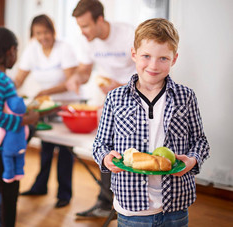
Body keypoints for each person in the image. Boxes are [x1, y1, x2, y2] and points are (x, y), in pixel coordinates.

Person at [94, 18, 210, 226]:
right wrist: (106, 158)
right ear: (134, 54)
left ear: (174, 59)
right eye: (146, 56)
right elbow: (100, 145)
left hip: (175, 205)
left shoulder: (186, 97)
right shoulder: (115, 98)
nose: (154, 66)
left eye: (163, 58)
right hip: (131, 207)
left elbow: (200, 142)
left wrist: (192, 160)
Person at [66, 0, 136, 217]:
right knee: (105, 149)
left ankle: (125, 205)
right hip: (111, 101)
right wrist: (76, 78)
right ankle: (106, 203)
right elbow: (85, 71)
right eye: (80, 27)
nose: (83, 32)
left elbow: (147, 71)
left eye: (86, 26)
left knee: (128, 154)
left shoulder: (128, 35)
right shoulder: (87, 41)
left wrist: (122, 86)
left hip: (136, 100)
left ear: (100, 20)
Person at [0, 27, 39, 227]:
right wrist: (25, 120)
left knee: (10, 196)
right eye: (16, 52)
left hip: (5, 149)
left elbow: (3, 109)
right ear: (10, 51)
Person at [14, 14, 78, 208]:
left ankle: (64, 194)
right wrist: (5, 90)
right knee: (46, 147)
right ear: (33, 35)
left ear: (53, 31)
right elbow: (19, 78)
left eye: (46, 32)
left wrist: (45, 92)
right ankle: (40, 186)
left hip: (66, 105)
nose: (42, 37)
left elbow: (70, 82)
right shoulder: (32, 50)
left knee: (65, 150)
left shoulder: (64, 48)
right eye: (38, 33)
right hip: (45, 106)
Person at [0, 96, 29, 183]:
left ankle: (9, 175)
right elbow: (26, 134)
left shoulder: (7, 123)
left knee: (8, 161)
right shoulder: (23, 123)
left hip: (9, 149)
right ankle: (19, 172)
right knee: (20, 160)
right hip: (21, 147)